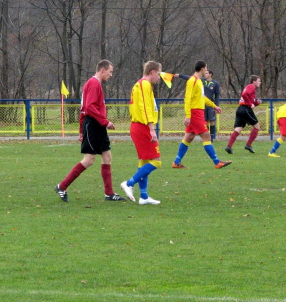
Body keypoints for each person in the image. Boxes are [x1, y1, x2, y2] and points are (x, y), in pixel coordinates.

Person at [54, 59, 126, 202]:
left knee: (107, 157)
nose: (111, 75)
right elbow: (89, 108)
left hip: (96, 125)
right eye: (110, 72)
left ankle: (109, 193)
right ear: (102, 70)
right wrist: (105, 122)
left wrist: (81, 130)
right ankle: (62, 186)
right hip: (94, 124)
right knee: (89, 159)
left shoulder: (94, 84)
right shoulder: (93, 84)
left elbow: (83, 108)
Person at [171, 60, 231, 169]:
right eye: (206, 68)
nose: (207, 70)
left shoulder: (198, 81)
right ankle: (217, 162)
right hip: (195, 113)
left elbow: (202, 97)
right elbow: (187, 98)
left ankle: (176, 162)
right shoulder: (192, 81)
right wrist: (188, 115)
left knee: (189, 137)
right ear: (202, 69)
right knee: (206, 136)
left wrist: (214, 106)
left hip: (198, 111)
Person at [120, 61, 162, 205]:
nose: (159, 77)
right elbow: (145, 107)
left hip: (138, 125)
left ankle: (143, 196)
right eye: (158, 74)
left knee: (144, 161)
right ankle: (129, 183)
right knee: (156, 161)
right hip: (143, 126)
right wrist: (151, 128)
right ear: (152, 72)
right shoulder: (144, 84)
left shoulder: (141, 84)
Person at [175, 70, 220, 141]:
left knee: (211, 121)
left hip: (210, 104)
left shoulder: (215, 83)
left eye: (207, 73)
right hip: (201, 105)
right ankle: (207, 137)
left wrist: (216, 105)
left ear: (210, 74)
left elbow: (217, 95)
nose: (205, 74)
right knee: (204, 122)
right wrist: (180, 75)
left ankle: (212, 137)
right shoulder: (200, 81)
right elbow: (189, 78)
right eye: (205, 72)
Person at [225, 75, 262, 154]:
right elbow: (244, 95)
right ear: (254, 81)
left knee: (238, 129)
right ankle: (248, 145)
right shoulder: (251, 86)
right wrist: (250, 104)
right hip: (245, 109)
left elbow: (249, 101)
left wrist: (256, 103)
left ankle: (229, 146)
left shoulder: (250, 87)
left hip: (240, 109)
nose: (260, 83)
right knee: (257, 127)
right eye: (259, 81)